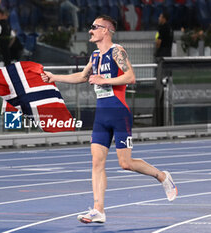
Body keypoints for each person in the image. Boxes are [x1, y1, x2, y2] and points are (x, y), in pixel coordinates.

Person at [41, 15, 178, 224]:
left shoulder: (117, 51)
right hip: (101, 116)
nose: (90, 31)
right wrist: (55, 78)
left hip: (119, 113)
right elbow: (82, 77)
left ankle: (162, 176)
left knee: (125, 163)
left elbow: (130, 76)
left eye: (94, 27)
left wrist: (105, 80)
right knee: (97, 162)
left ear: (106, 30)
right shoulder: (95, 56)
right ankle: (99, 210)